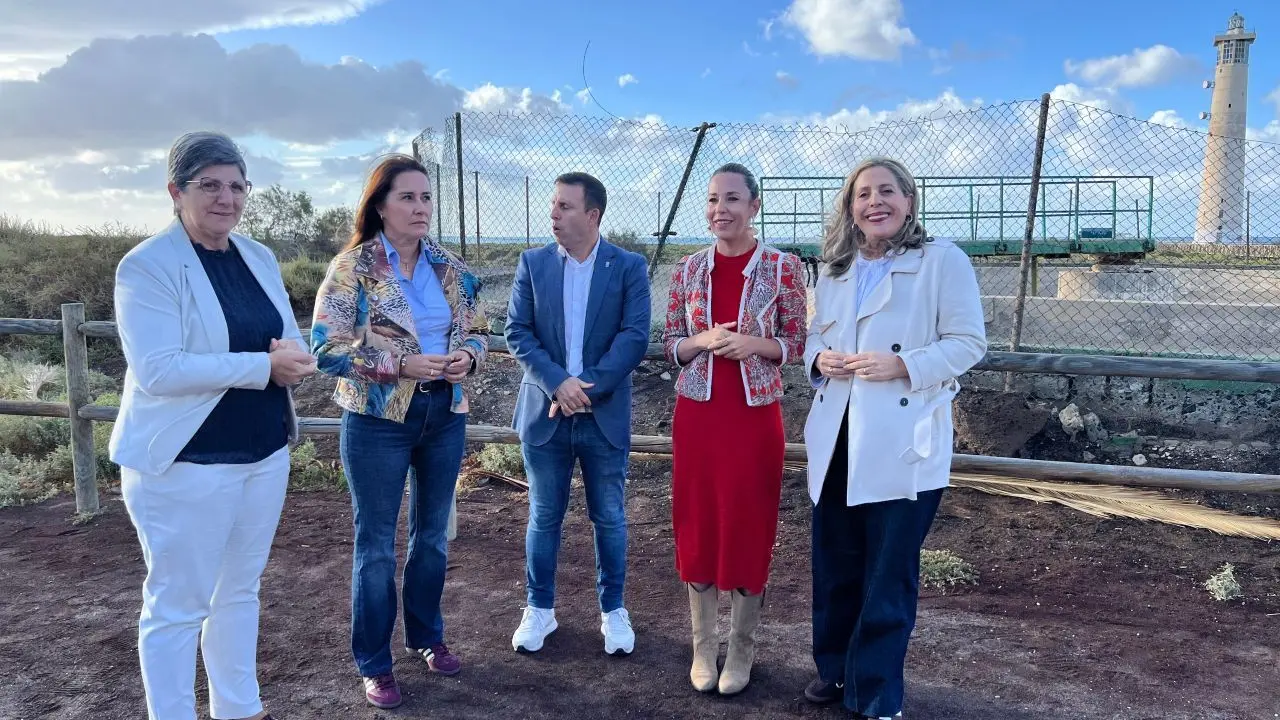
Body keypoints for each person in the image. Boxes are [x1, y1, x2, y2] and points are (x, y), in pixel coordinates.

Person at [110, 131, 316, 720]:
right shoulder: (147, 265)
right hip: (186, 465)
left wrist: (290, 357)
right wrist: (262, 367)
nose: (226, 198)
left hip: (263, 454)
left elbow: (287, 335)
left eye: (237, 185)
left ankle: (240, 708)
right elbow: (158, 369)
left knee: (239, 593)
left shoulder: (258, 256)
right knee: (178, 608)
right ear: (176, 191)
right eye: (210, 185)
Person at [801, 157, 987, 718]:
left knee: (887, 571)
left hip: (903, 439)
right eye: (863, 194)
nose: (874, 202)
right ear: (850, 207)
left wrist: (903, 365)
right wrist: (819, 359)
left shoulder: (942, 261)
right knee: (835, 564)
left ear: (909, 200)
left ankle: (876, 691)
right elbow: (814, 336)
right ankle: (835, 670)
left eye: (887, 191)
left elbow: (968, 342)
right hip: (837, 434)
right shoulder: (835, 269)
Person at [310, 154, 488, 710]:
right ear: (380, 206)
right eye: (407, 197)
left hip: (444, 415)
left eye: (426, 197)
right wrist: (398, 366)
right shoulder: (353, 267)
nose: (420, 207)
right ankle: (375, 663)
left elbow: (480, 330)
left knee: (432, 538)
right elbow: (325, 348)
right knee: (377, 547)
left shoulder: (449, 266)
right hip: (377, 421)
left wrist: (467, 357)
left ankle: (427, 636)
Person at [662, 163, 807, 695]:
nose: (719, 209)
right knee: (698, 522)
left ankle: (742, 647)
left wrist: (755, 345)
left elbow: (799, 342)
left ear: (754, 206)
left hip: (752, 419)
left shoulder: (784, 268)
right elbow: (670, 343)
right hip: (698, 417)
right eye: (712, 199)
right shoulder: (686, 270)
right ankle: (703, 646)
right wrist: (699, 341)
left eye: (731, 199)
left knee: (747, 523)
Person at [504, 171, 651, 657]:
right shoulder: (532, 263)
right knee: (544, 515)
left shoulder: (629, 267)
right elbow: (517, 332)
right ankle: (539, 609)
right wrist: (558, 384)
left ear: (593, 215)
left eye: (564, 206)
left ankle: (613, 611)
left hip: (602, 416)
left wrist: (583, 388)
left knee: (608, 517)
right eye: (553, 205)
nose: (553, 214)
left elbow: (634, 337)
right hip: (545, 415)